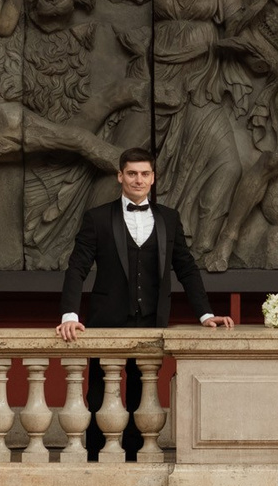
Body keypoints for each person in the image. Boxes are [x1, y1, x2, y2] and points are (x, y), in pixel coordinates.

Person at [56, 148, 229, 459]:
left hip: (150, 319)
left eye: (145, 174)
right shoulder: (96, 218)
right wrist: (70, 314)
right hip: (105, 321)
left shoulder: (169, 218)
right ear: (120, 176)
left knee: (141, 393)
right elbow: (77, 267)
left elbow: (186, 268)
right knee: (98, 395)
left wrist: (206, 314)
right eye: (132, 173)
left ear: (153, 178)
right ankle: (96, 459)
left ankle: (136, 459)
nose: (138, 179)